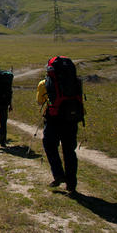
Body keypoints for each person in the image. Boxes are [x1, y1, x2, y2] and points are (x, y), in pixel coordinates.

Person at [37, 57, 83, 195]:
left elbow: (40, 102)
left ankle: (58, 174)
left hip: (54, 120)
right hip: (72, 119)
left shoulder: (44, 83)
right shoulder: (76, 81)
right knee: (69, 151)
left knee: (49, 145)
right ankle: (71, 184)